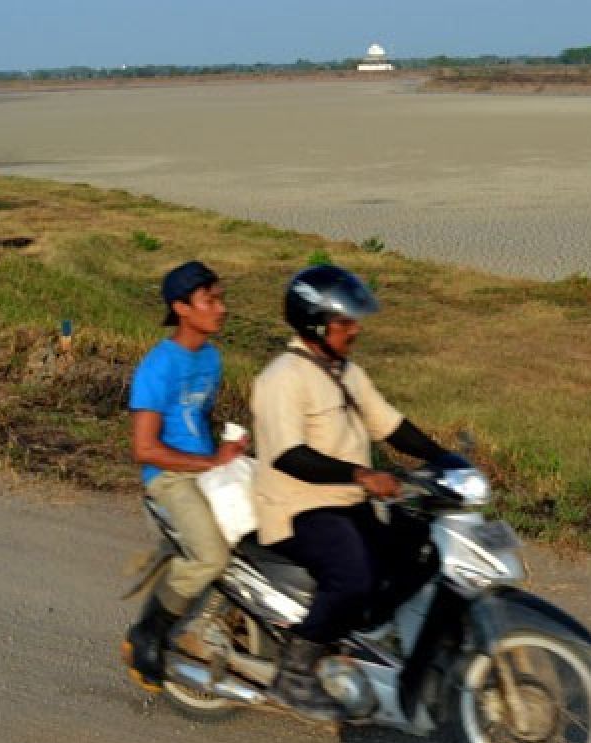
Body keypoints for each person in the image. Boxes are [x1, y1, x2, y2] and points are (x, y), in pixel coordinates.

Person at [251, 264, 451, 719]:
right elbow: (288, 456)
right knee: (353, 575)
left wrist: (445, 460)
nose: (355, 330)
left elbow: (390, 425)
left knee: (420, 545)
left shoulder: (344, 371)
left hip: (346, 503)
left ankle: (363, 634)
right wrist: (363, 475)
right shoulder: (282, 377)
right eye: (345, 323)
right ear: (316, 325)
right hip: (298, 509)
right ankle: (294, 673)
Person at [122, 260, 248, 692]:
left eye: (220, 298)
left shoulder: (210, 358)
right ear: (181, 308)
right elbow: (144, 448)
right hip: (169, 478)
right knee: (211, 556)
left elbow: (200, 416)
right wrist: (209, 465)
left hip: (204, 467)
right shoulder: (158, 367)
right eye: (210, 301)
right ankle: (148, 634)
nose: (222, 309)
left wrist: (224, 453)